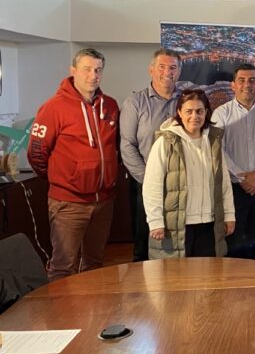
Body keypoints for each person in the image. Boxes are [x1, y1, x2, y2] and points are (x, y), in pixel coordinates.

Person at [28, 48, 120, 281]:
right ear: (73, 71)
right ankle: (60, 316)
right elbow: (36, 153)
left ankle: (92, 314)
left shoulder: (109, 105)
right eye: (87, 69)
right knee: (63, 265)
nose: (93, 75)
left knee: (94, 263)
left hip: (104, 201)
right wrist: (62, 179)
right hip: (68, 203)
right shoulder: (54, 107)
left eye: (98, 70)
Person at [143, 89, 235, 258]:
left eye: (199, 111)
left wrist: (229, 214)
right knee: (176, 278)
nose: (195, 116)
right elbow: (152, 185)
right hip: (178, 224)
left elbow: (224, 183)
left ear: (206, 112)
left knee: (208, 277)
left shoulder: (213, 142)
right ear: (179, 113)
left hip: (209, 222)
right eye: (189, 111)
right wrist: (155, 221)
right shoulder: (165, 142)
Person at [211, 64, 255, 261]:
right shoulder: (221, 114)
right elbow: (217, 150)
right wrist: (241, 177)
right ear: (233, 85)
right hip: (233, 189)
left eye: (252, 80)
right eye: (241, 80)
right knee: (234, 242)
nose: (246, 85)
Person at [120, 48, 183, 261]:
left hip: (181, 183)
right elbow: (127, 146)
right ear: (151, 70)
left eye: (173, 67)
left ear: (179, 72)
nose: (168, 72)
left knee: (178, 239)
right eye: (162, 67)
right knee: (145, 240)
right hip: (144, 182)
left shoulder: (187, 102)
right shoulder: (135, 103)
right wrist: (149, 180)